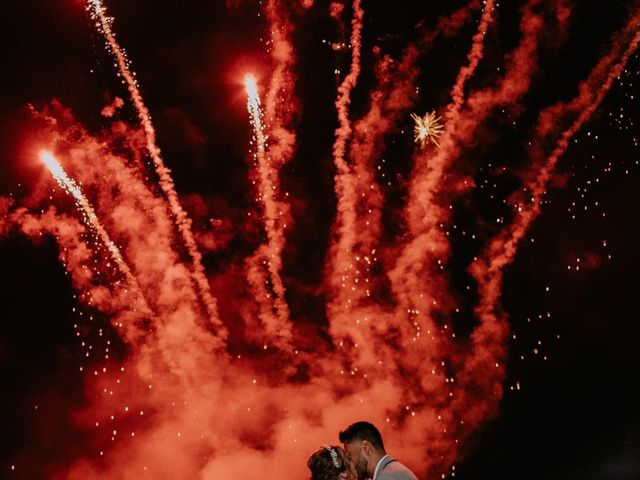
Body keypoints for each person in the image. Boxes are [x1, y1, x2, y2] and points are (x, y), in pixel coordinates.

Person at [339, 421, 418, 480]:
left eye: (350, 457)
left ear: (366, 448)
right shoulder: (394, 470)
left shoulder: (387, 477)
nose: (349, 464)